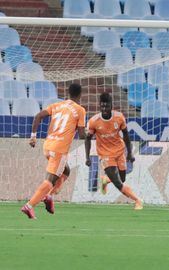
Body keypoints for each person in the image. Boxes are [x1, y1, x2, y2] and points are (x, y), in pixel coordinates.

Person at [21, 83, 86, 219]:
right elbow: (81, 135)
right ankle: (29, 205)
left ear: (68, 93)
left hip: (47, 146)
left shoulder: (57, 105)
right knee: (50, 180)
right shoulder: (80, 110)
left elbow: (38, 116)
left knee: (66, 170)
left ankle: (49, 196)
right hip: (59, 149)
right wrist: (90, 133)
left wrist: (33, 137)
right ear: (80, 95)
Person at [85, 92, 142, 210]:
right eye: (102, 106)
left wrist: (130, 153)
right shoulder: (94, 121)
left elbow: (126, 135)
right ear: (100, 106)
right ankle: (137, 200)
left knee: (122, 178)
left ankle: (105, 180)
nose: (104, 109)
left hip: (120, 151)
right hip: (105, 154)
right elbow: (88, 139)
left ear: (111, 105)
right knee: (118, 183)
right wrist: (87, 157)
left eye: (107, 106)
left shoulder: (119, 117)